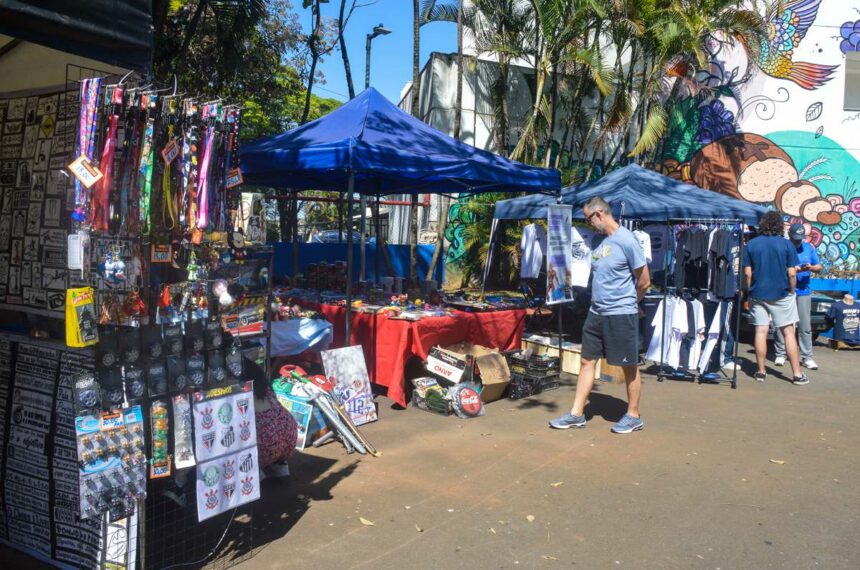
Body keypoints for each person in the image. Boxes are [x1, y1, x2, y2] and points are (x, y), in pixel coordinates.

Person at [549, 197, 650, 434]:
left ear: (599, 214)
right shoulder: (597, 241)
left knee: (628, 366)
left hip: (621, 314)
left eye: (588, 219)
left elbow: (644, 281)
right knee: (587, 361)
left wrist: (629, 303)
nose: (588, 224)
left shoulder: (627, 240)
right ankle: (576, 413)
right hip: (596, 312)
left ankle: (633, 415)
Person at [743, 211, 809, 385]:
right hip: (782, 294)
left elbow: (748, 273)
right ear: (780, 225)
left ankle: (761, 371)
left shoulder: (752, 244)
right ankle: (797, 374)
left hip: (758, 293)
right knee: (788, 333)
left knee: (761, 331)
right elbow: (792, 273)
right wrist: (792, 291)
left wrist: (750, 292)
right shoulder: (787, 245)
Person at [773, 223, 821, 370]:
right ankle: (780, 353)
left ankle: (807, 357)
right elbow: (777, 267)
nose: (798, 241)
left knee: (805, 325)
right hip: (785, 290)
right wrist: (794, 270)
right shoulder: (783, 247)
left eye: (800, 239)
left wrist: (811, 268)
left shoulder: (808, 248)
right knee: (782, 323)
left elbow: (818, 267)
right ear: (790, 235)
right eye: (795, 239)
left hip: (803, 291)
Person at [249, 358, 298, 477]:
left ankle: (255, 471)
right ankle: (280, 464)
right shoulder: (267, 390)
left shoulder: (243, 396)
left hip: (265, 448)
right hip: (290, 440)